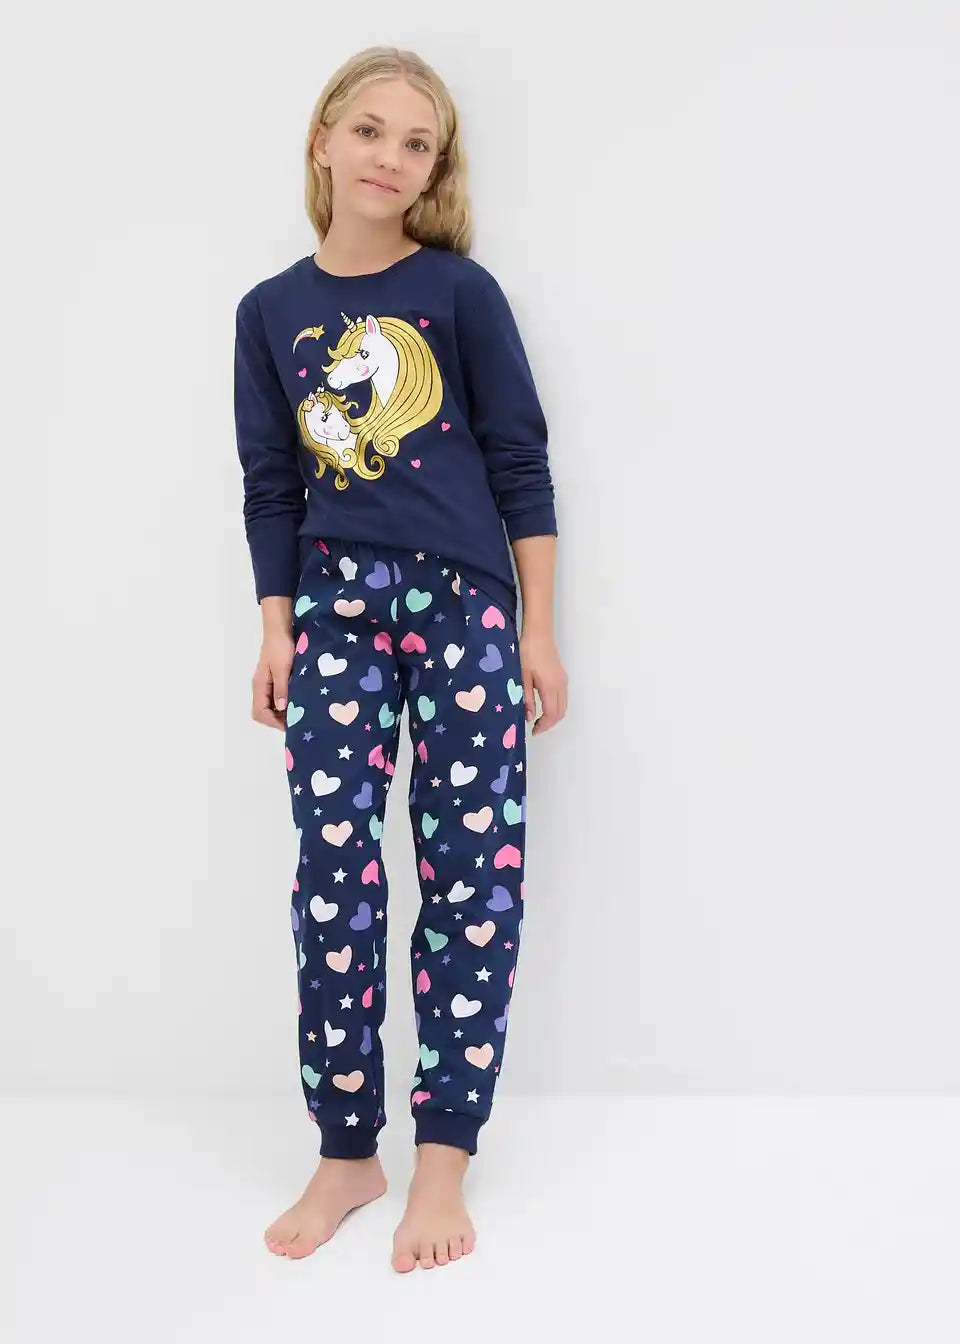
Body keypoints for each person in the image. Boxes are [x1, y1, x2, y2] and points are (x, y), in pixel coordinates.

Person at [233, 44, 567, 1273]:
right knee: (334, 872)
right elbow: (271, 482)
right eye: (370, 130)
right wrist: (277, 627)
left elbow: (520, 462)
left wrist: (538, 628)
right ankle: (345, 1151)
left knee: (471, 874)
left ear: (435, 171)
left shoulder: (460, 295)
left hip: (466, 605)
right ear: (325, 140)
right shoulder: (269, 313)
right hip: (334, 610)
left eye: (416, 143)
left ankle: (443, 1156)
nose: (390, 156)